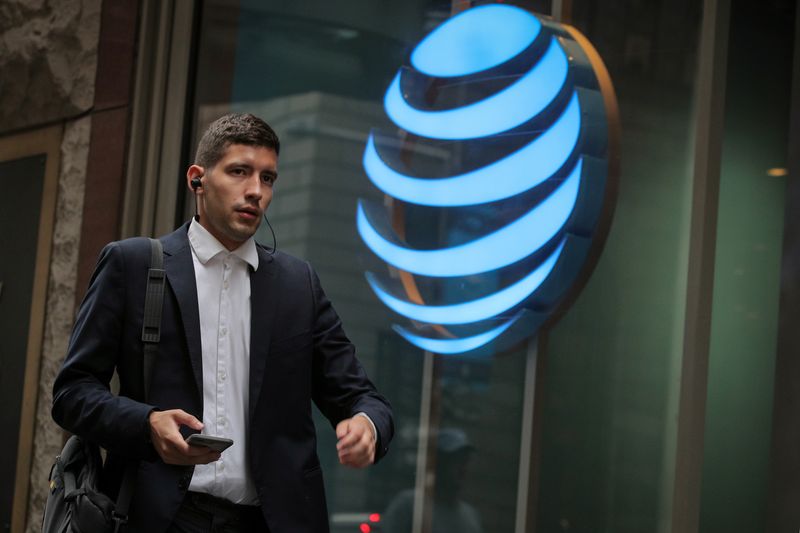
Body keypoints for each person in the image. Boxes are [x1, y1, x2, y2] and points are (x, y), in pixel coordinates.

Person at [52, 113, 394, 533]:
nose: (256, 191)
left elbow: (362, 398)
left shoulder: (297, 285)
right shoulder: (133, 266)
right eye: (239, 172)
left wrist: (366, 426)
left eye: (267, 178)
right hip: (159, 518)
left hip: (270, 522)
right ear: (197, 178)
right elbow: (72, 393)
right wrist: (145, 424)